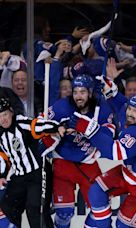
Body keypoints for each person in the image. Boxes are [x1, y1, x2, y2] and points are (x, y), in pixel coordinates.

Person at [69, 92, 136, 227]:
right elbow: (122, 105)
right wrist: (110, 90)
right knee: (96, 191)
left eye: (135, 111)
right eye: (130, 108)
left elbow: (114, 153)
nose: (130, 113)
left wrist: (90, 130)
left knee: (123, 225)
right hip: (131, 171)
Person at [40, 74, 116, 228]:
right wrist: (56, 129)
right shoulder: (63, 106)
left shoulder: (102, 109)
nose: (78, 96)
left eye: (82, 92)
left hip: (88, 163)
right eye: (75, 92)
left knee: (101, 210)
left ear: (90, 93)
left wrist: (93, 130)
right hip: (63, 162)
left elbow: (109, 137)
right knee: (64, 213)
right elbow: (40, 123)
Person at [0, 97, 61, 228]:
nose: (3, 119)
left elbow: (40, 126)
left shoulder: (22, 123)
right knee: (7, 208)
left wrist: (57, 127)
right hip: (19, 176)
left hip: (38, 172)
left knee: (35, 210)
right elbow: (1, 157)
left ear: (11, 112)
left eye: (5, 114)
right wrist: (2, 175)